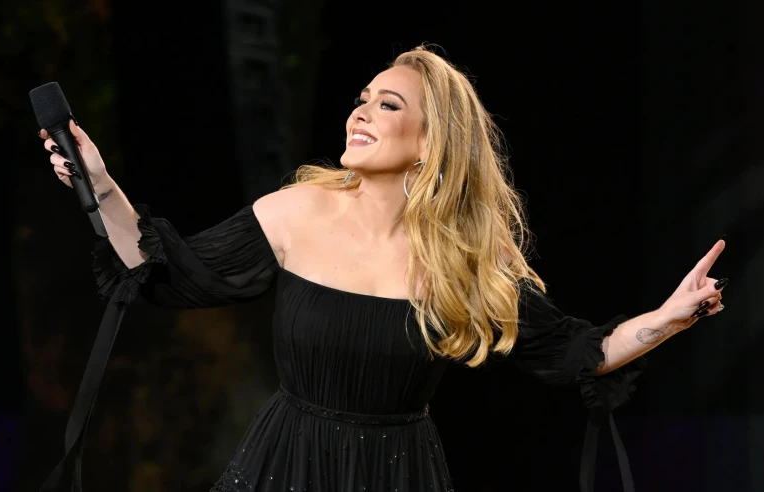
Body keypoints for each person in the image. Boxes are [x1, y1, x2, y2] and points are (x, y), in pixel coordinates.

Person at [38, 46, 727, 492]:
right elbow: (166, 274)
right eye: (362, 99)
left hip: (400, 474)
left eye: (387, 105)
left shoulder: (464, 262)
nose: (361, 113)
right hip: (285, 466)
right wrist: (98, 183)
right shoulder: (296, 210)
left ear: (430, 143)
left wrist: (669, 317)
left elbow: (578, 352)